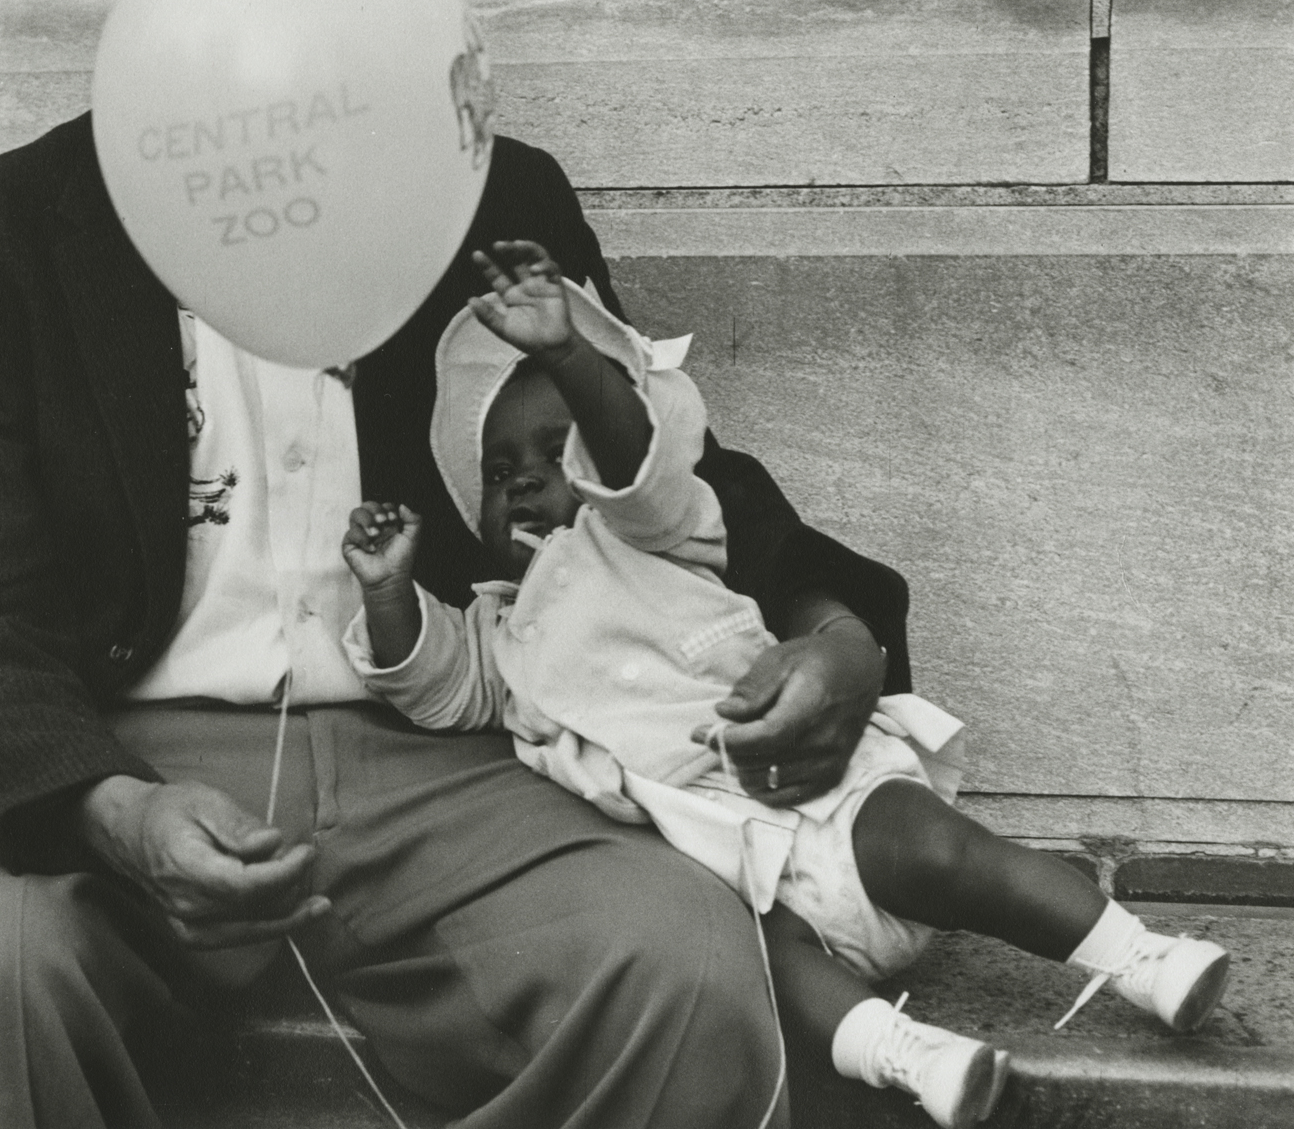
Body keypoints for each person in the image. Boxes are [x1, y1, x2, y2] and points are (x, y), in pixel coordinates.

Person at [0, 0, 916, 1129]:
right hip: (101, 761)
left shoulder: (488, 193)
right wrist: (117, 809)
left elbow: (642, 467)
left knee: (690, 970)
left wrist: (835, 632)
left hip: (453, 756)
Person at [341, 240, 1233, 1129]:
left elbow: (636, 473)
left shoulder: (654, 533)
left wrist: (571, 355)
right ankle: (911, 1056)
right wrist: (388, 594)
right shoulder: (502, 631)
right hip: (738, 874)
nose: (526, 479)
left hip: (832, 802)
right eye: (500, 474)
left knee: (954, 856)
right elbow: (435, 686)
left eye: (553, 451)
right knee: (769, 967)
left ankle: (1138, 958)